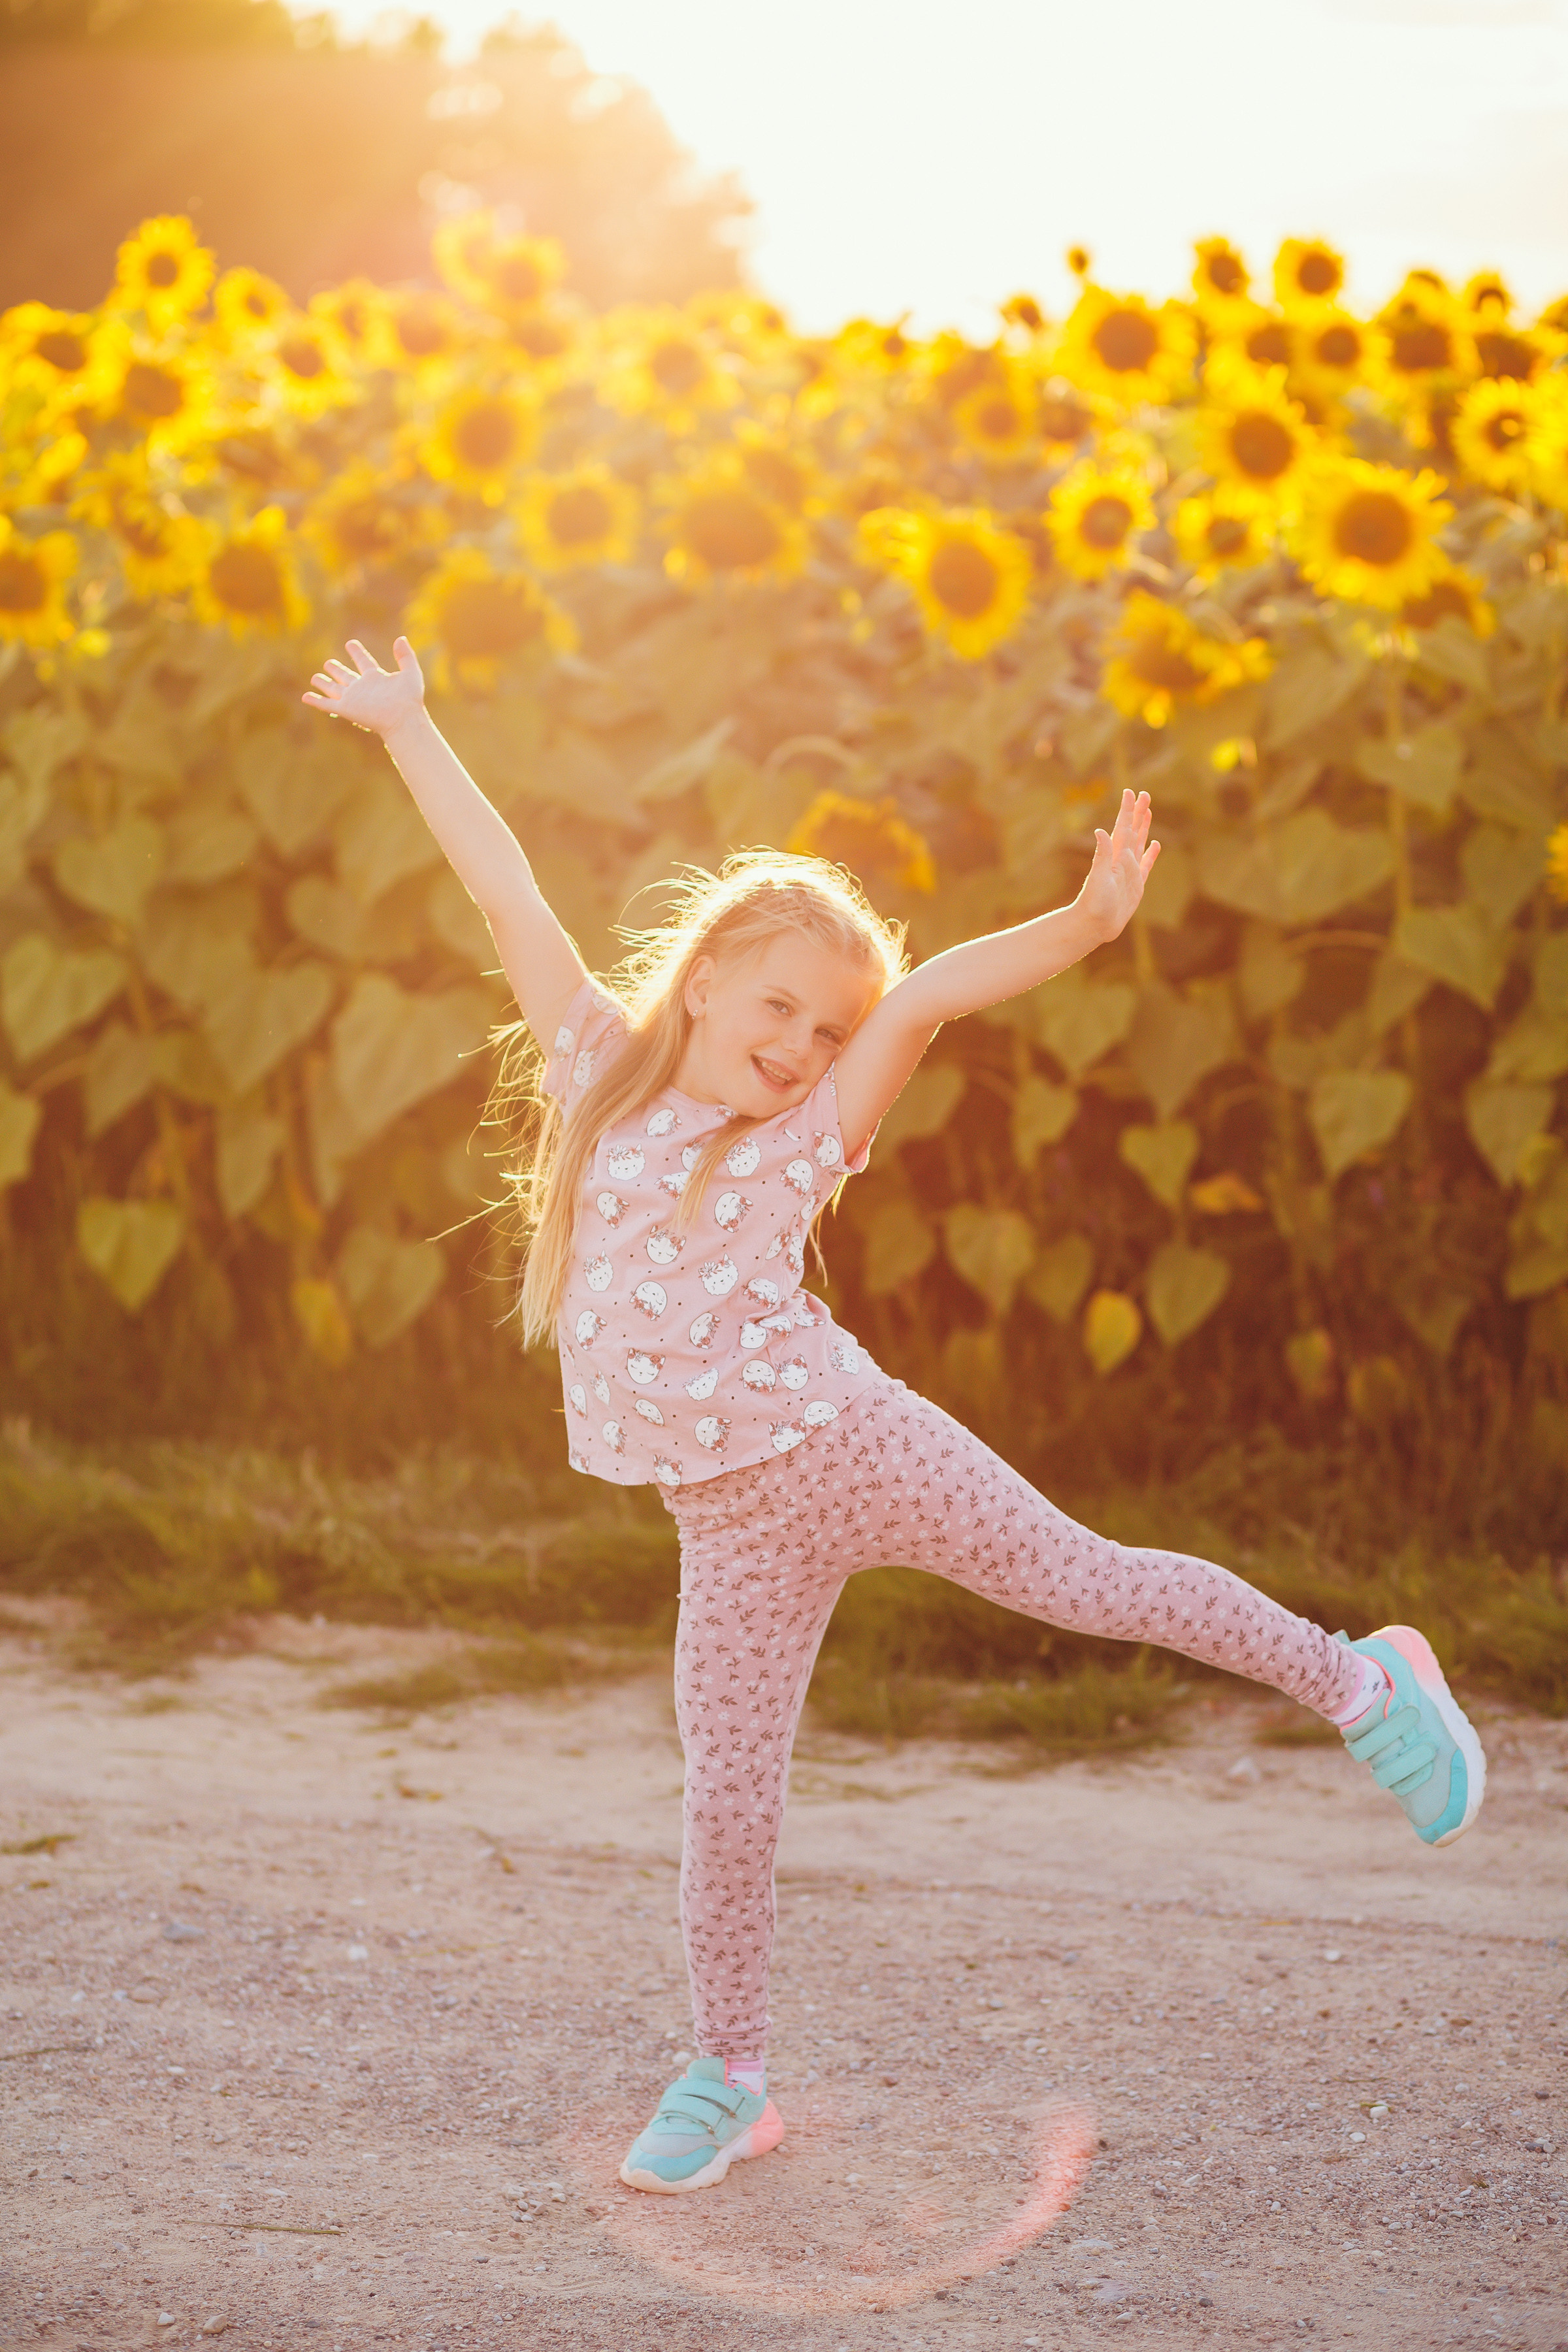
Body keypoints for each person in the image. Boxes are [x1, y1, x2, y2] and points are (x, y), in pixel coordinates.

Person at [303, 635, 1488, 2198]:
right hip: (724, 1518)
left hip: (857, 1449)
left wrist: (1081, 921)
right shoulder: (597, 1068)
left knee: (1091, 1578)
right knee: (727, 1790)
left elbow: (929, 993)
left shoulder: (809, 1133)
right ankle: (733, 2076)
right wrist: (408, 731)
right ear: (709, 973)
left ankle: (1369, 1685)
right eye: (779, 1007)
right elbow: (503, 886)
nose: (797, 1046)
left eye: (821, 1030)